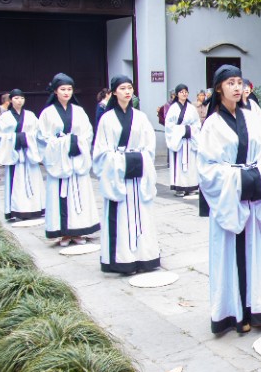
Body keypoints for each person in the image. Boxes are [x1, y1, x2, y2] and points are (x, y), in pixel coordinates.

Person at [198, 65, 261, 334]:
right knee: (230, 253)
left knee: (254, 251)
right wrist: (237, 179)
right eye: (230, 82)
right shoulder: (211, 124)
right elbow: (207, 169)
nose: (236, 87)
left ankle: (256, 308)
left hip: (253, 195)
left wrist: (257, 177)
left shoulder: (252, 117)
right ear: (219, 88)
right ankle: (232, 312)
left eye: (239, 82)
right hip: (230, 198)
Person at [93, 76, 161, 274]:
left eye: (130, 88)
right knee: (120, 217)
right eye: (122, 88)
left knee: (142, 215)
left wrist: (138, 158)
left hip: (138, 174)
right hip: (118, 177)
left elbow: (149, 146)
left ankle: (144, 257)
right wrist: (120, 161)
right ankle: (121, 260)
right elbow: (101, 152)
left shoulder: (140, 117)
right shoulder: (106, 119)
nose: (127, 92)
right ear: (114, 92)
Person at [37, 73, 101, 247]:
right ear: (55, 91)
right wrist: (63, 143)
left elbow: (87, 134)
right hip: (59, 162)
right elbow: (43, 138)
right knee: (60, 196)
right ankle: (63, 233)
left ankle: (80, 230)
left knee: (80, 195)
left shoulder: (79, 111)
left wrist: (75, 140)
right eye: (63, 89)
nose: (66, 92)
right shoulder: (47, 114)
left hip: (76, 160)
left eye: (69, 89)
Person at [0, 89, 44, 221]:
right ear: (10, 100)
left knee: (33, 180)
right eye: (16, 98)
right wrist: (14, 138)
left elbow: (38, 134)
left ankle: (35, 208)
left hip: (28, 153)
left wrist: (26, 137)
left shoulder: (31, 115)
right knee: (16, 182)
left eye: (21, 98)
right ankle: (16, 209)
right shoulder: (5, 117)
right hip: (14, 154)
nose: (19, 101)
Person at [164, 84, 200, 197]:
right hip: (179, 141)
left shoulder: (191, 108)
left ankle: (191, 186)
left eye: (186, 92)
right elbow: (169, 125)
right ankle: (179, 187)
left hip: (189, 140)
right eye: (181, 92)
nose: (184, 94)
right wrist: (181, 130)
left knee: (192, 164)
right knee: (179, 164)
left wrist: (190, 130)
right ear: (177, 94)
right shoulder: (173, 108)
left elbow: (197, 124)